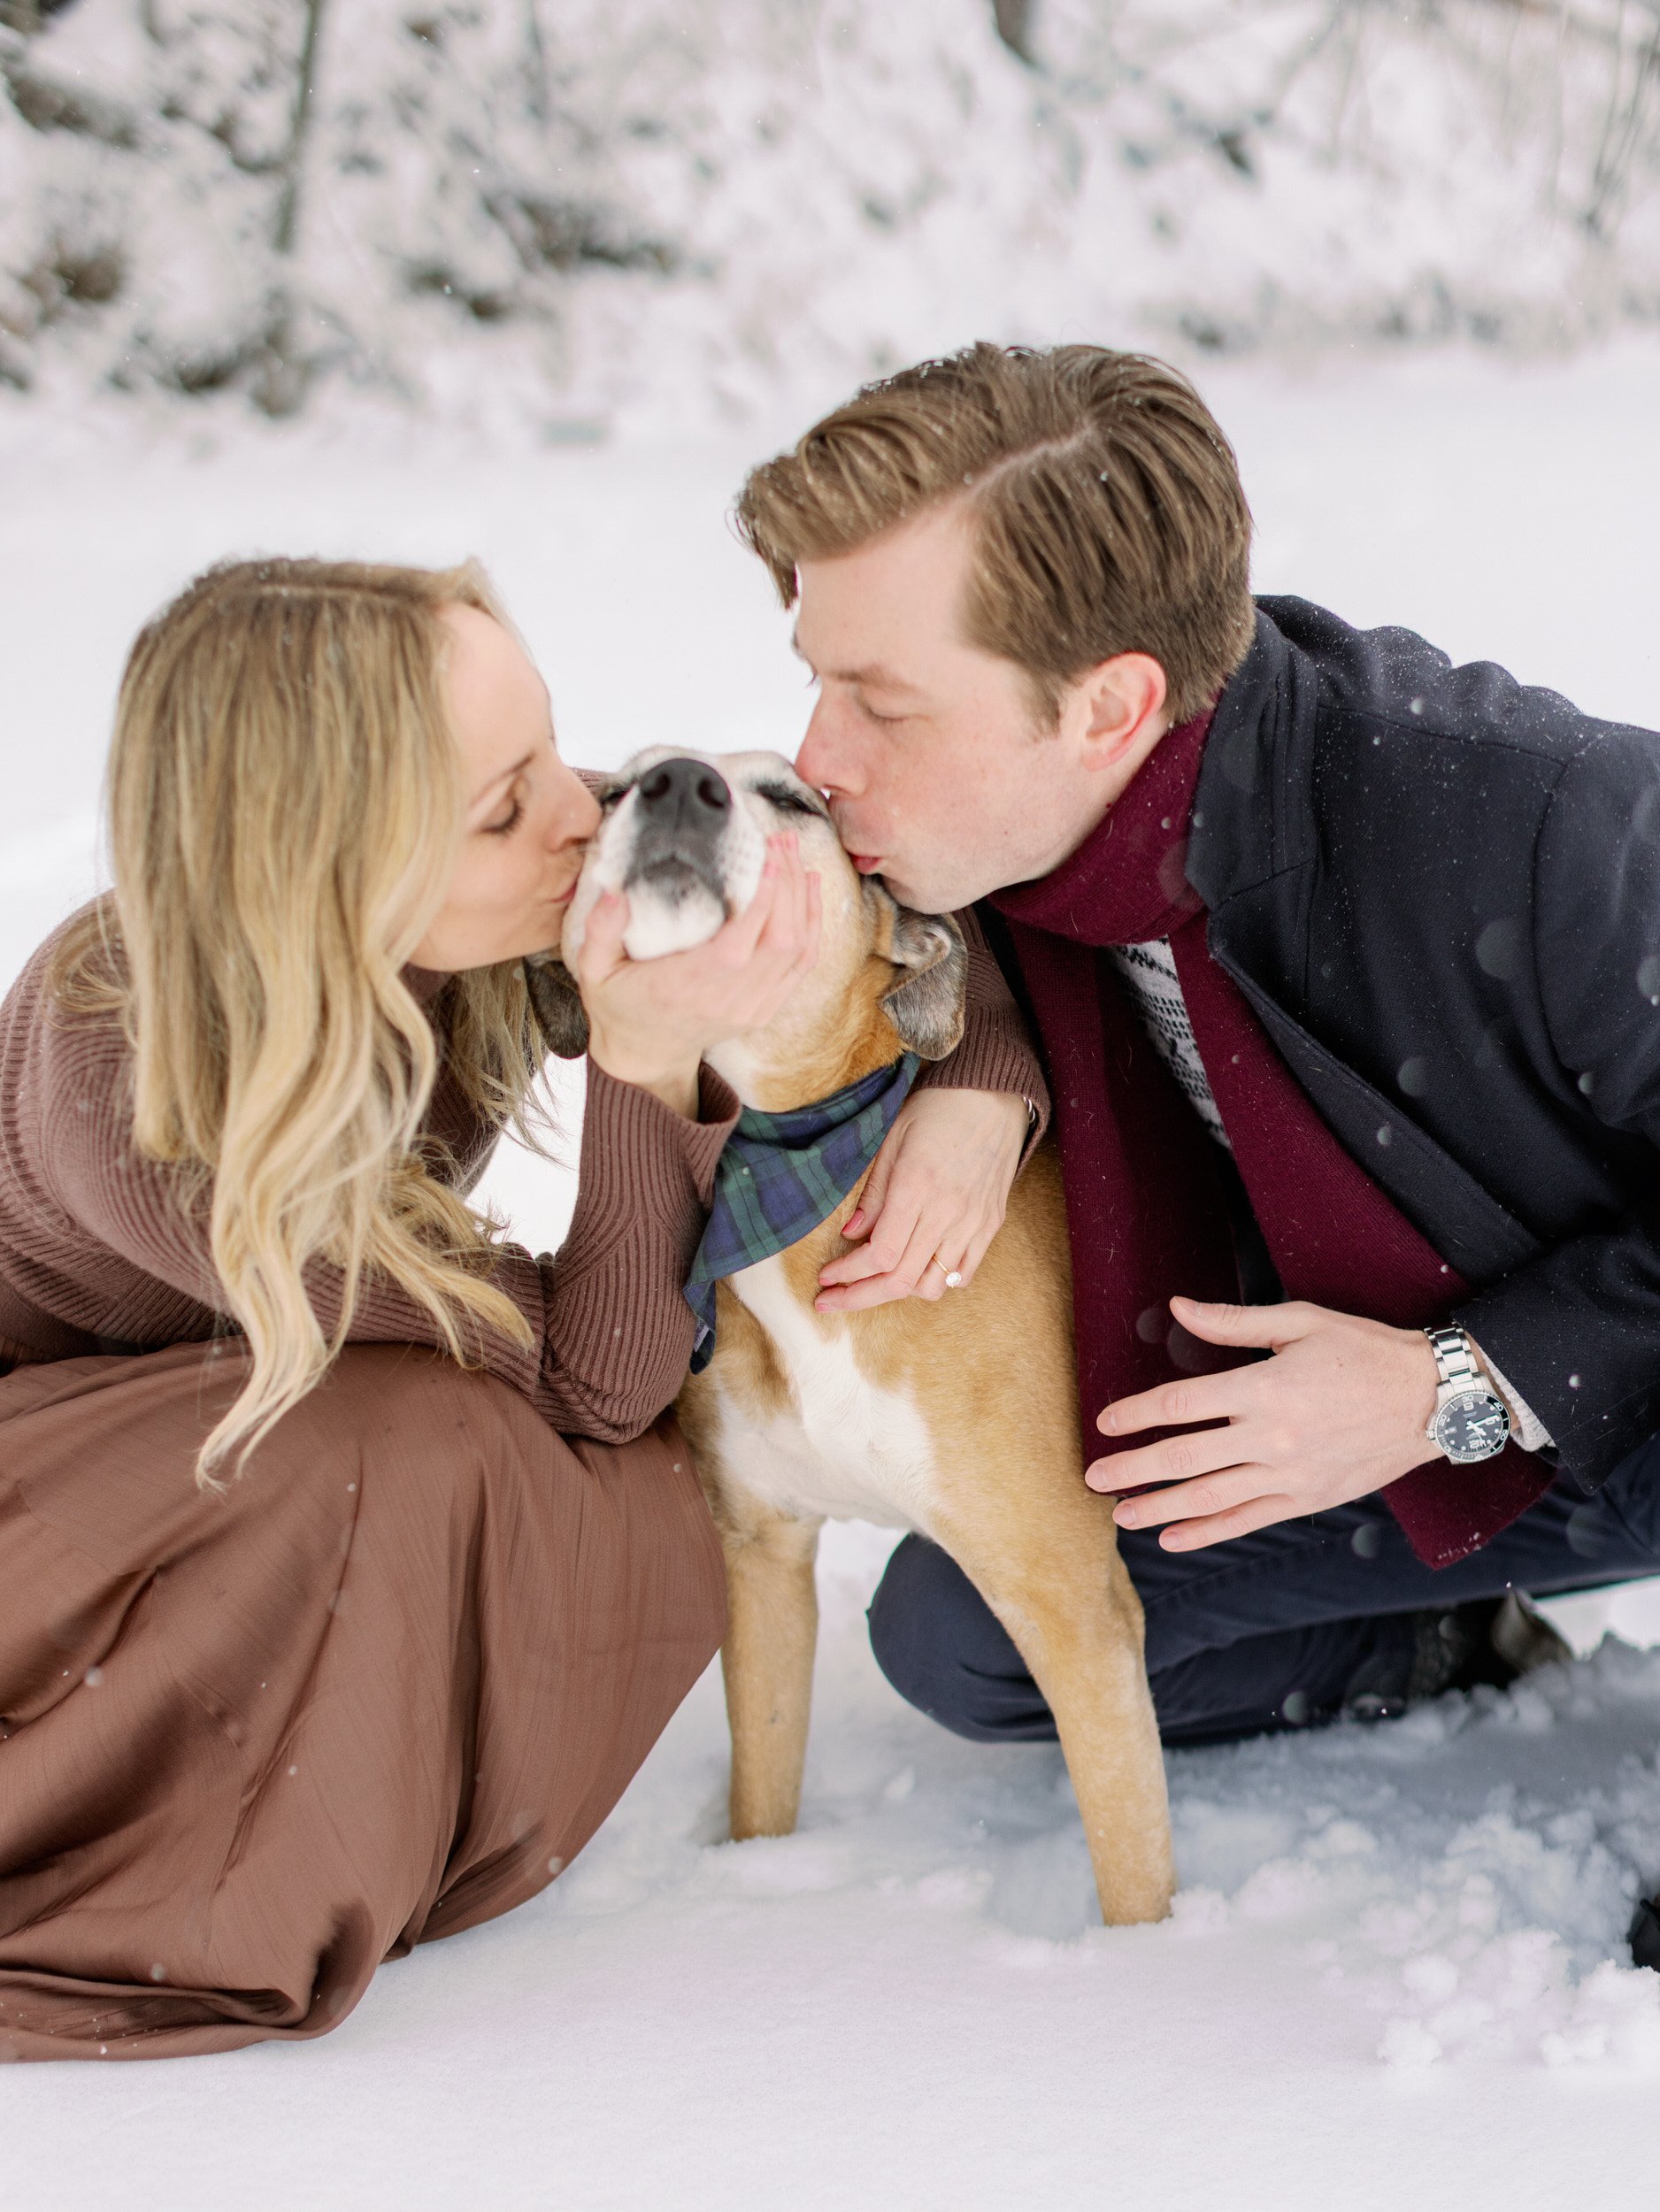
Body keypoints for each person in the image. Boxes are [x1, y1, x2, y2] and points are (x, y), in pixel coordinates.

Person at [0, 556, 1041, 2060]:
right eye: (503, 805)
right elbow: (600, 1374)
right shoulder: (150, 1116)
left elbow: (850, 872)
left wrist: (984, 1085)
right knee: (455, 1449)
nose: (580, 813)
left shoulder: (532, 845)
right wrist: (643, 1048)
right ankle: (212, 1818)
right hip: (43, 1493)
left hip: (214, 1400)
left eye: (546, 745)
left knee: (543, 1450)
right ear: (322, 874)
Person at [735, 343, 1660, 1946]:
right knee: (969, 1642)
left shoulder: (1546, 827)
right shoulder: (1008, 834)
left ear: (1111, 706)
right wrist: (988, 1063)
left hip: (1617, 1385)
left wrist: (1446, 1386)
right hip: (1375, 1411)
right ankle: (1443, 1642)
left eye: (880, 702)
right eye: (816, 677)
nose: (820, 759)